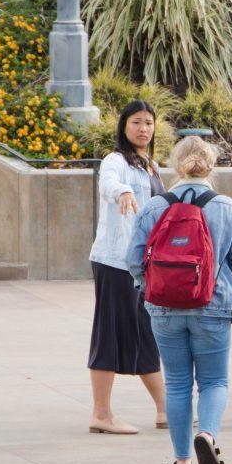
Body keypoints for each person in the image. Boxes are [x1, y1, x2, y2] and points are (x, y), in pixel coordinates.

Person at [127, 136, 232, 464]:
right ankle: (208, 435)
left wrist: (152, 290)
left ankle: (182, 461)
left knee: (178, 383)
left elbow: (133, 260)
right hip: (213, 305)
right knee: (214, 380)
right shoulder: (226, 207)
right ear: (211, 166)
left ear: (175, 164)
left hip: (164, 308)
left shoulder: (155, 207)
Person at [86, 100, 167, 435]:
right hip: (115, 262)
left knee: (146, 333)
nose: (143, 128)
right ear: (123, 126)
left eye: (149, 122)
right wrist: (121, 191)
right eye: (136, 122)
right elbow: (107, 183)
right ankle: (101, 414)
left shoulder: (151, 165)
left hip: (141, 265)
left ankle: (165, 409)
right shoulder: (115, 161)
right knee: (109, 333)